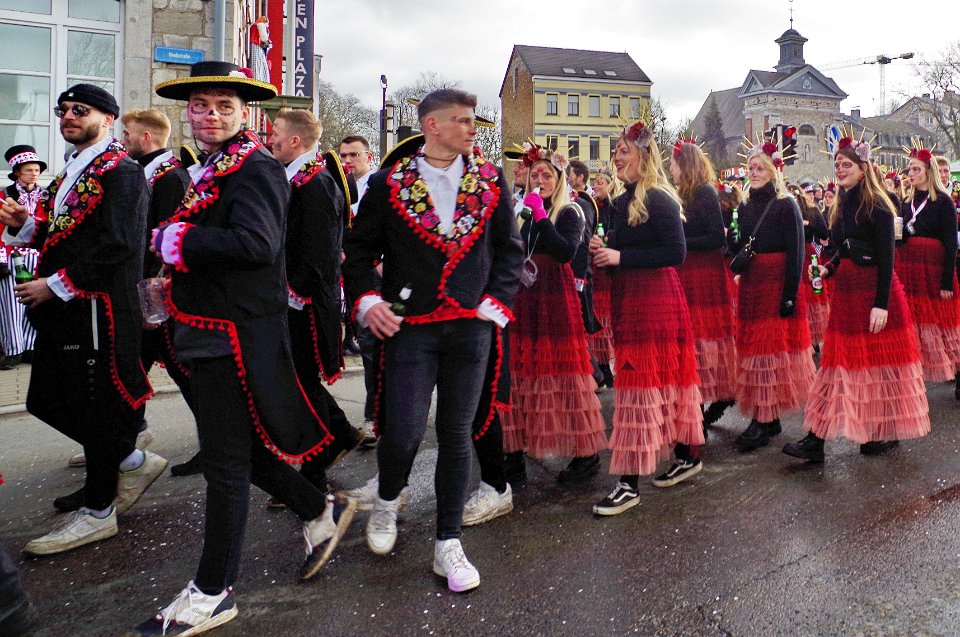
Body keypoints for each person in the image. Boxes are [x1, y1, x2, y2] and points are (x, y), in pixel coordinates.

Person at [129, 61, 355, 635]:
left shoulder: (255, 167)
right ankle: (318, 508)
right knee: (238, 451)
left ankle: (212, 592)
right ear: (188, 112)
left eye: (223, 106)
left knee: (226, 464)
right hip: (202, 330)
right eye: (201, 105)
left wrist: (179, 239)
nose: (210, 115)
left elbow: (256, 244)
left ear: (243, 112)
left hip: (230, 336)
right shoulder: (214, 165)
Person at [342, 88, 523, 593]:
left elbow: (510, 251)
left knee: (456, 433)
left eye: (473, 120)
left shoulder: (490, 179)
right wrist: (367, 301)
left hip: (471, 328)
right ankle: (387, 500)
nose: (471, 128)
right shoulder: (389, 183)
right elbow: (357, 253)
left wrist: (496, 304)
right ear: (432, 125)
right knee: (401, 430)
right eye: (461, 120)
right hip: (411, 327)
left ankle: (448, 542)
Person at [0, 85, 164, 557]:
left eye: (80, 110)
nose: (68, 116)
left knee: (96, 407)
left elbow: (120, 245)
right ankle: (130, 460)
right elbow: (64, 233)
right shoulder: (73, 169)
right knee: (47, 400)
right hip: (70, 307)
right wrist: (25, 225)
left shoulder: (122, 171)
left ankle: (97, 511)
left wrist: (53, 284)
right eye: (63, 110)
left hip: (99, 308)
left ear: (108, 119)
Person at [783, 136, 930, 462]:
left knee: (879, 367)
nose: (839, 169)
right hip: (847, 295)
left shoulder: (878, 204)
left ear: (862, 169)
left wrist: (881, 305)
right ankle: (816, 439)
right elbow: (844, 248)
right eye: (837, 164)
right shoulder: (841, 203)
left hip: (875, 292)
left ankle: (884, 431)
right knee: (835, 365)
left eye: (846, 164)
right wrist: (828, 268)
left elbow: (887, 257)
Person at [589, 122, 704, 515]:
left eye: (624, 151)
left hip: (657, 303)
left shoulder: (659, 197)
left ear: (643, 156)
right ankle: (687, 455)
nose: (617, 158)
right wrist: (604, 249)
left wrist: (620, 256)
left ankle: (629, 484)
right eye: (616, 151)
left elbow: (676, 252)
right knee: (652, 383)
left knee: (643, 386)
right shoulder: (620, 201)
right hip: (630, 302)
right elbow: (629, 248)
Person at [499, 144, 607, 485]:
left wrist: (543, 218)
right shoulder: (523, 211)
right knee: (519, 372)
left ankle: (585, 455)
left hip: (555, 298)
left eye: (547, 175)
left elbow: (565, 252)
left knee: (563, 374)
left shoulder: (570, 211)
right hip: (525, 297)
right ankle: (513, 454)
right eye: (536, 175)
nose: (540, 181)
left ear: (559, 179)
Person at [269, 108, 362, 503]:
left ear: (295, 140)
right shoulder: (296, 177)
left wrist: (291, 295)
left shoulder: (317, 183)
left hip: (304, 305)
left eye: (276, 132)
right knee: (300, 382)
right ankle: (341, 435)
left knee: (303, 384)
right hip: (293, 300)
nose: (270, 138)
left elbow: (321, 255)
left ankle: (315, 470)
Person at [728, 141, 815, 451]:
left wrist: (789, 295)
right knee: (755, 350)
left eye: (759, 168)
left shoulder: (786, 204)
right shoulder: (743, 205)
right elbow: (740, 243)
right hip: (753, 284)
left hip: (777, 283)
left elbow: (797, 252)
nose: (753, 173)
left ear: (772, 171)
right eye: (750, 168)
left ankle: (763, 419)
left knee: (770, 351)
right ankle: (769, 417)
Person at [669, 141, 737, 430]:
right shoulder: (681, 193)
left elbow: (716, 238)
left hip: (704, 274)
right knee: (692, 340)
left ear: (685, 165)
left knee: (702, 338)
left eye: (673, 164)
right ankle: (697, 406)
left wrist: (681, 242)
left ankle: (705, 406)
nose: (670, 169)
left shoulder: (705, 192)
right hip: (687, 272)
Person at [896, 146, 960, 387]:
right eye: (909, 169)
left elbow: (951, 244)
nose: (911, 174)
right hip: (909, 267)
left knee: (941, 323)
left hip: (933, 268)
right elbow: (900, 236)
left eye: (916, 169)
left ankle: (956, 371)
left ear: (927, 171)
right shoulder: (906, 201)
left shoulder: (943, 202)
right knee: (915, 321)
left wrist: (947, 281)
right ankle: (915, 375)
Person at [338, 135, 379, 443]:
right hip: (354, 275)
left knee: (377, 348)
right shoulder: (339, 186)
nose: (347, 161)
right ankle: (375, 414)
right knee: (368, 347)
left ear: (369, 156)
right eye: (343, 155)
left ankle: (375, 416)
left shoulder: (379, 185)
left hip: (379, 276)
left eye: (354, 154)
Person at [0, 146, 41, 370]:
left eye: (36, 170)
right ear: (17, 172)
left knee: (34, 301)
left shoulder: (45, 195)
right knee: (11, 302)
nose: (33, 174)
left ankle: (31, 347)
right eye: (28, 170)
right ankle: (13, 349)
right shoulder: (4, 196)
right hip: (11, 255)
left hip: (38, 255)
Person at [586, 164, 622, 390]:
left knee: (605, 316)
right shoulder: (590, 204)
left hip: (607, 264)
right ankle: (601, 367)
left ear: (610, 185)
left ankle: (606, 365)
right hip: (594, 264)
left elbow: (615, 234)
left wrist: (605, 240)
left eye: (600, 182)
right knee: (597, 315)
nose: (596, 185)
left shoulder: (613, 206)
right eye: (595, 181)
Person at [793, 188, 831, 348]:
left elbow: (824, 234)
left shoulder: (813, 211)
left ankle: (815, 338)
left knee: (815, 291)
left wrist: (808, 224)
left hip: (810, 255)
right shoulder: (785, 210)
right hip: (794, 254)